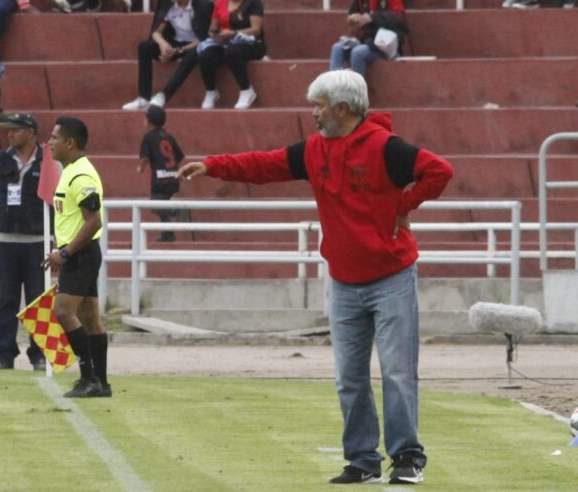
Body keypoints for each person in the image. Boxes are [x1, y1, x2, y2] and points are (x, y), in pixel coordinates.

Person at [178, 70, 453, 485]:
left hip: (391, 277)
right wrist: (213, 166)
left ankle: (407, 457)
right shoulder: (314, 149)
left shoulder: (386, 148)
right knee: (349, 377)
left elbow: (439, 170)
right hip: (343, 280)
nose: (313, 112)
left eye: (318, 105)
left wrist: (405, 205)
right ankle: (363, 460)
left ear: (342, 108)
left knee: (397, 372)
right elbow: (264, 165)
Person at [43, 116, 110, 398]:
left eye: (55, 138)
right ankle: (101, 383)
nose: (49, 143)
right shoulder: (71, 170)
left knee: (63, 312)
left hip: (79, 254)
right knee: (90, 318)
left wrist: (66, 252)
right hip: (82, 253)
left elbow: (93, 221)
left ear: (70, 142)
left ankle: (88, 378)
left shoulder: (81, 174)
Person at [0, 113, 57, 371]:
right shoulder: (2, 159)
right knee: (7, 298)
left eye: (15, 130)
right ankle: (4, 355)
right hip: (6, 240)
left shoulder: (49, 161)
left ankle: (39, 354)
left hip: (37, 240)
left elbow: (55, 198)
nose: (10, 135)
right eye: (9, 131)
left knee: (38, 298)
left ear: (31, 132)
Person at [122, 0, 213, 111]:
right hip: (175, 43)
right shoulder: (167, 4)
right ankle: (143, 98)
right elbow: (156, 32)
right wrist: (162, 43)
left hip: (193, 45)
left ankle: (164, 95)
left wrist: (179, 50)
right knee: (145, 47)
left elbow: (202, 39)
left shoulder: (203, 6)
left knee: (193, 55)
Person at [197, 0, 265, 110]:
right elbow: (213, 28)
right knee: (206, 55)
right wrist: (214, 34)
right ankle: (211, 91)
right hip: (226, 42)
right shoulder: (220, 3)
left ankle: (246, 89)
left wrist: (233, 33)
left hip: (251, 43)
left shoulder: (253, 3)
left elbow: (256, 30)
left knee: (232, 52)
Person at [138, 105, 184, 242]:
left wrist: (140, 168)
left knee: (155, 204)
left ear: (149, 121)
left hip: (159, 178)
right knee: (164, 201)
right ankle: (168, 233)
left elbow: (145, 158)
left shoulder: (148, 138)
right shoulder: (168, 136)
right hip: (173, 176)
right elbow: (179, 155)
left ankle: (175, 211)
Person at [329, 0, 408, 76]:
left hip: (384, 45)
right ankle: (335, 85)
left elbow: (399, 18)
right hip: (365, 40)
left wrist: (372, 17)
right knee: (337, 48)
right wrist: (352, 19)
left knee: (358, 52)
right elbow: (353, 14)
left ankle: (357, 87)